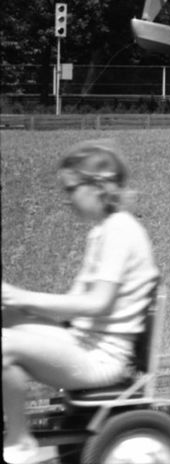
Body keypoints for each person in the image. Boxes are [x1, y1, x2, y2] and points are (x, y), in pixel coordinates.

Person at [2, 140, 159, 464]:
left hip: (100, 358)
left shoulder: (120, 231)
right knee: (7, 319)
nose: (67, 199)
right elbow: (76, 302)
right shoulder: (102, 231)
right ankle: (15, 428)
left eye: (71, 189)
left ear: (97, 186)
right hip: (83, 342)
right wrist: (17, 306)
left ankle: (20, 442)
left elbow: (97, 304)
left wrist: (19, 296)